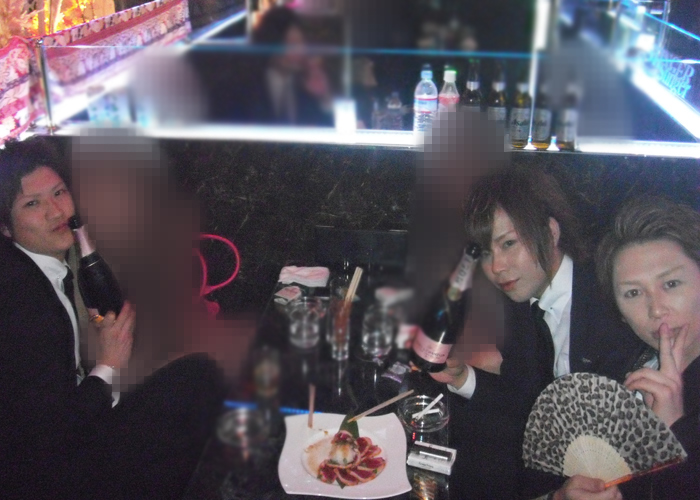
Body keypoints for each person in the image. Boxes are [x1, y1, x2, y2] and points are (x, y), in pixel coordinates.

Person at [0, 136, 226, 500]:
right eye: (32, 203)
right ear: (5, 227)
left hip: (68, 437)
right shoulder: (22, 303)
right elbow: (52, 440)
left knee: (196, 375)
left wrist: (109, 363)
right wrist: (109, 364)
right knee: (196, 389)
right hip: (49, 478)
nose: (55, 212)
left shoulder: (45, 268)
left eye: (58, 193)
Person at [429, 166, 645, 499]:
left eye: (508, 243)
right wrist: (462, 377)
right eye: (485, 252)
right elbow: (527, 399)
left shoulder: (607, 302)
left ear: (550, 232)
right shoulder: (520, 301)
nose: (496, 267)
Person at [551, 196, 700, 500]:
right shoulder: (621, 370)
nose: (656, 309)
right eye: (633, 293)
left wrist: (672, 433)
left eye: (671, 284)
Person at [224, 6, 334, 126]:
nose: (298, 52)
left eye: (300, 43)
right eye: (291, 44)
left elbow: (325, 130)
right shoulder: (243, 88)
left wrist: (324, 99)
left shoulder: (307, 85)